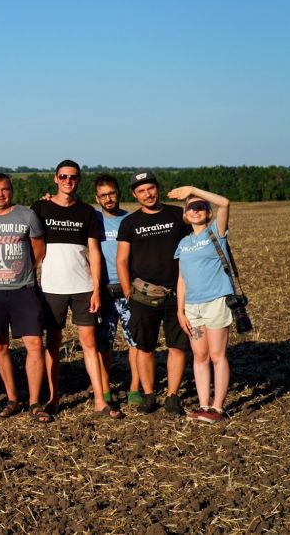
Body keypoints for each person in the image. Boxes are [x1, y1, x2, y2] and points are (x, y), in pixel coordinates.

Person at [31, 160, 120, 419]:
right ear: (55, 178)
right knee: (53, 344)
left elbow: (93, 251)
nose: (68, 181)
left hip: (82, 286)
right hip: (51, 287)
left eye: (73, 177)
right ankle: (52, 398)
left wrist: (95, 289)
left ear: (78, 181)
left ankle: (100, 400)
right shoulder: (40, 207)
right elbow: (31, 243)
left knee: (89, 343)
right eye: (63, 176)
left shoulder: (87, 212)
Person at [0, 173, 51, 423]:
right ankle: (12, 398)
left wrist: (27, 271)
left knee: (34, 344)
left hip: (24, 290)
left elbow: (38, 249)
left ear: (11, 190)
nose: (0, 194)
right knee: (0, 346)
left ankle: (35, 402)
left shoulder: (27, 216)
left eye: (5, 189)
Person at [116, 171, 190, 415]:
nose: (147, 194)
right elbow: (122, 259)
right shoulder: (130, 222)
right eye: (141, 191)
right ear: (135, 195)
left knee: (177, 346)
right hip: (143, 295)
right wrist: (128, 291)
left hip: (176, 293)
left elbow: (198, 237)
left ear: (157, 188)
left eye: (150, 188)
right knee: (145, 347)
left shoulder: (177, 215)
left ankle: (172, 396)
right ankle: (149, 395)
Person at [170, 187, 233, 423]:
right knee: (200, 356)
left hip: (216, 302)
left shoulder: (216, 232)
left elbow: (225, 202)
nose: (195, 211)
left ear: (207, 212)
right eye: (190, 207)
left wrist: (194, 191)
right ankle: (203, 404)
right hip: (193, 308)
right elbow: (181, 279)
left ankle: (217, 408)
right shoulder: (184, 243)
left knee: (218, 355)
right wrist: (180, 309)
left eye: (200, 207)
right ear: (185, 214)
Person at [92, 174, 141, 408]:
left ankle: (134, 388)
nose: (108, 198)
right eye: (103, 195)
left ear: (119, 193)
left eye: (111, 193)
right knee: (103, 344)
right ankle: (106, 389)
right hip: (102, 291)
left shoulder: (131, 220)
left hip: (128, 290)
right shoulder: (93, 218)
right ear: (97, 198)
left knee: (135, 342)